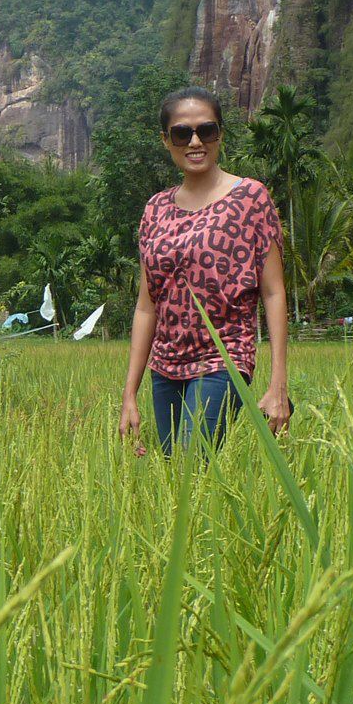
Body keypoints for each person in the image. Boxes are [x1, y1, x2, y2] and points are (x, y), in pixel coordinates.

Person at [119, 86, 292, 454]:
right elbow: (146, 305)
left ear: (220, 135)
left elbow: (274, 292)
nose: (195, 141)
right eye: (183, 133)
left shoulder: (250, 199)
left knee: (189, 464)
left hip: (224, 357)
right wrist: (129, 394)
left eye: (206, 131)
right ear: (166, 141)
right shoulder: (155, 210)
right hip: (165, 365)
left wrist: (279, 383)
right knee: (173, 480)